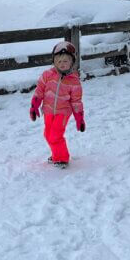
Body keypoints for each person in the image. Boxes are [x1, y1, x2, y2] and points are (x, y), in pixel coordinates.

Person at [29, 40, 85, 168]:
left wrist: (79, 119)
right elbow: (39, 92)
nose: (62, 64)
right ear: (54, 61)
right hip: (48, 111)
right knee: (47, 134)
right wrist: (34, 106)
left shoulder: (74, 81)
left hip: (63, 112)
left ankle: (62, 158)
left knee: (55, 135)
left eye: (65, 61)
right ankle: (56, 154)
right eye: (59, 61)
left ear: (72, 61)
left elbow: (76, 101)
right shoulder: (47, 75)